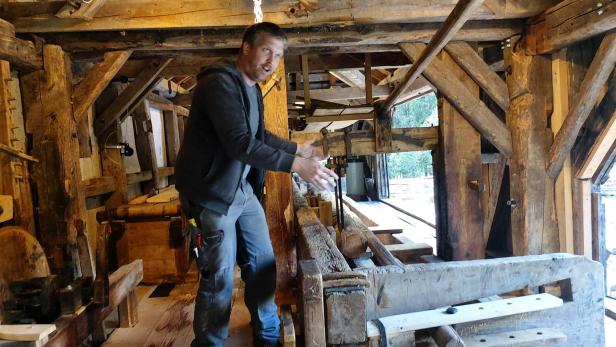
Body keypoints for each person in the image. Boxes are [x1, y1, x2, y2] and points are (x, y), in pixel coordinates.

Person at [174, 22, 338, 347]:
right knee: (218, 279)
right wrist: (297, 166)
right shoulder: (219, 84)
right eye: (266, 51)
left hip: (240, 190)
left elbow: (257, 135)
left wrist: (298, 149)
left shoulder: (251, 88)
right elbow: (240, 145)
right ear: (246, 48)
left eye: (277, 55)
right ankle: (209, 343)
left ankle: (268, 337)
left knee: (263, 264)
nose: (271, 62)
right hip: (210, 195)